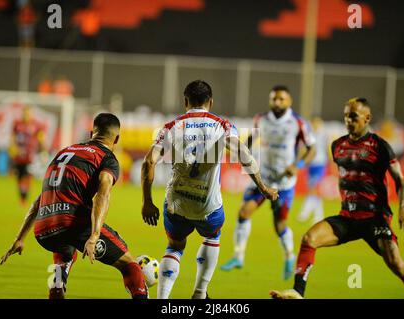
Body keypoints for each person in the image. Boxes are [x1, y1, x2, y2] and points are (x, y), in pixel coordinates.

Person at [270, 98, 404, 299]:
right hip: (348, 217)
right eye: (346, 116)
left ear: (367, 118)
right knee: (309, 239)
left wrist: (403, 208)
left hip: (375, 218)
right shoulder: (337, 146)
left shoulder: (380, 146)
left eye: (353, 116)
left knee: (396, 264)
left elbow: (400, 180)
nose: (348, 120)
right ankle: (297, 291)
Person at [141, 80, 278, 299]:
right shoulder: (222, 125)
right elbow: (242, 153)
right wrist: (263, 187)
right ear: (210, 102)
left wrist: (147, 202)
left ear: (185, 101)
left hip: (177, 203)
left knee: (175, 246)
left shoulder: (170, 127)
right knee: (212, 237)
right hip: (208, 206)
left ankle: (162, 299)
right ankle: (199, 293)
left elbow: (149, 162)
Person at [0, 113, 148, 299]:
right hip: (71, 222)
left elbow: (40, 199)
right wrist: (94, 236)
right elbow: (102, 195)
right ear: (117, 138)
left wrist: (20, 238)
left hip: (43, 229)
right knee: (130, 265)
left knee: (65, 253)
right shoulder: (106, 158)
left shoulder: (64, 152)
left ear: (91, 132)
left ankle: (57, 288)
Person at [220, 85, 316, 280]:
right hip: (262, 178)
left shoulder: (297, 123)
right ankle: (238, 256)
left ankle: (289, 256)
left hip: (284, 182)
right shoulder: (261, 119)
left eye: (281, 99)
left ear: (289, 101)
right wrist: (239, 150)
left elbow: (311, 149)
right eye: (274, 99)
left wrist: (297, 165)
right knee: (244, 212)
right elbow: (248, 140)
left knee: (279, 224)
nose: (277, 102)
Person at [296, 116, 330, 224]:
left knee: (313, 189)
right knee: (312, 189)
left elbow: (328, 149)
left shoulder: (323, 135)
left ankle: (306, 213)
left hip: (320, 164)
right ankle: (317, 215)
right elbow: (303, 149)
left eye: (317, 123)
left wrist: (332, 162)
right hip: (310, 165)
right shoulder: (309, 135)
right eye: (314, 123)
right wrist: (301, 162)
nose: (315, 125)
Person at [9, 106, 45, 206]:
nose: (26, 115)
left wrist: (43, 150)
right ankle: (22, 196)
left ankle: (25, 195)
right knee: (19, 176)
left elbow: (41, 138)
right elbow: (12, 137)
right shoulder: (17, 124)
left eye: (28, 113)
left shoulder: (36, 125)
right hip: (19, 155)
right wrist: (12, 147)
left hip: (30, 156)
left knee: (27, 175)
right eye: (25, 113)